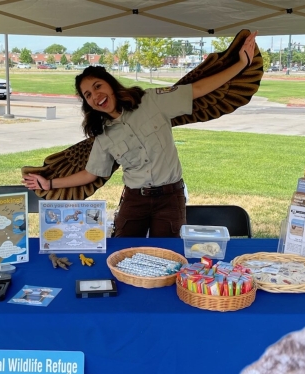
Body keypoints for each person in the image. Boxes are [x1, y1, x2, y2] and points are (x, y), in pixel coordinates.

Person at [23, 32, 257, 238]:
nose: (95, 95)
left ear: (110, 84)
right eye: (87, 95)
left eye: (97, 86)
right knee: (121, 253)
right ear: (88, 104)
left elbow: (198, 89)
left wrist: (240, 64)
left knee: (167, 258)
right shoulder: (103, 135)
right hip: (135, 200)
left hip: (170, 198)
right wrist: (50, 182)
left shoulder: (152, 100)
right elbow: (91, 173)